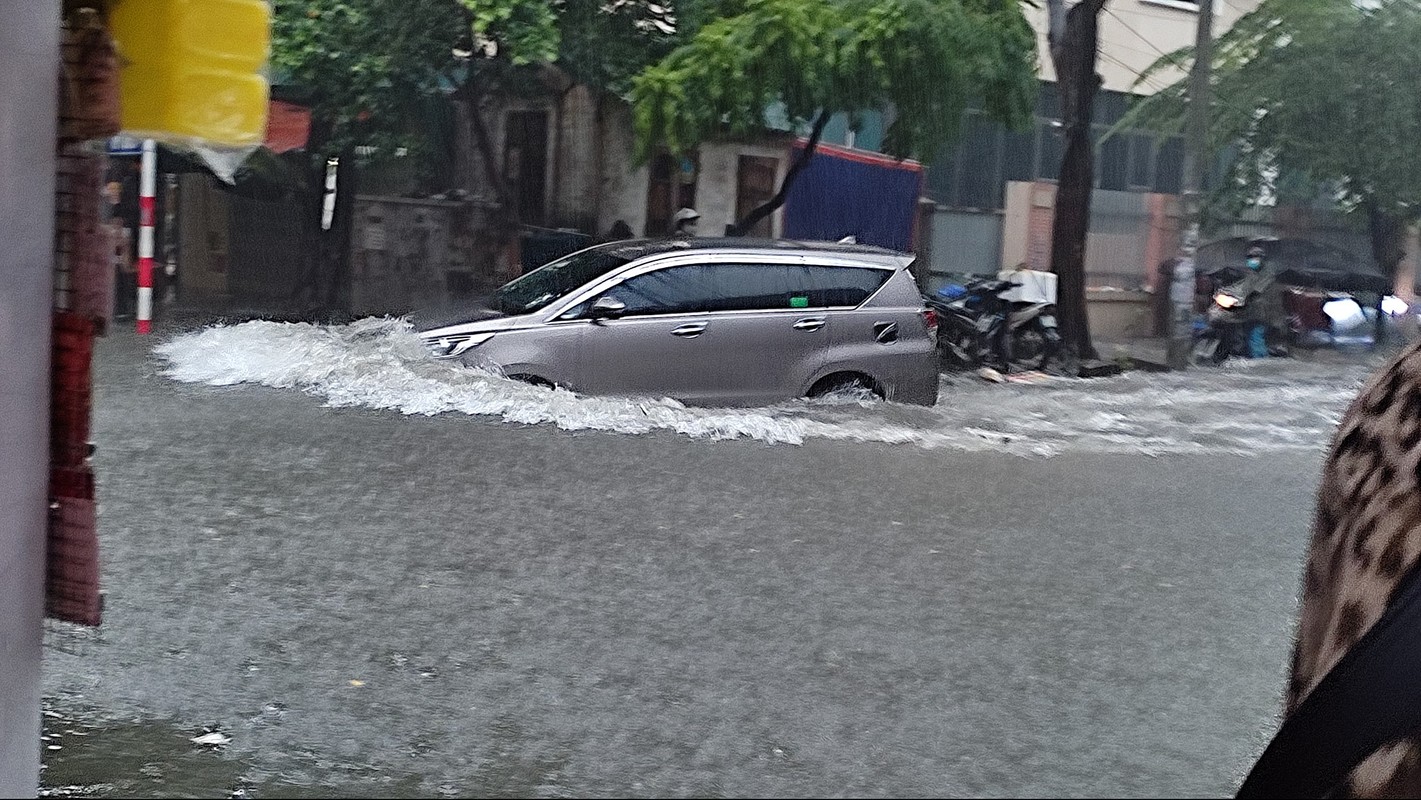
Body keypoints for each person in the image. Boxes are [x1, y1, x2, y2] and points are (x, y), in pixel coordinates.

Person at [1226, 245, 1284, 358]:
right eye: (1250, 257)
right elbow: (1241, 289)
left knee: (1255, 338)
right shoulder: (1250, 274)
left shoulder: (1268, 274)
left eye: (1255, 257)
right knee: (1247, 337)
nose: (1252, 260)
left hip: (1266, 314)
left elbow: (1256, 292)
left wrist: (1244, 300)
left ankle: (1260, 364)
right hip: (1250, 313)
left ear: (1262, 259)